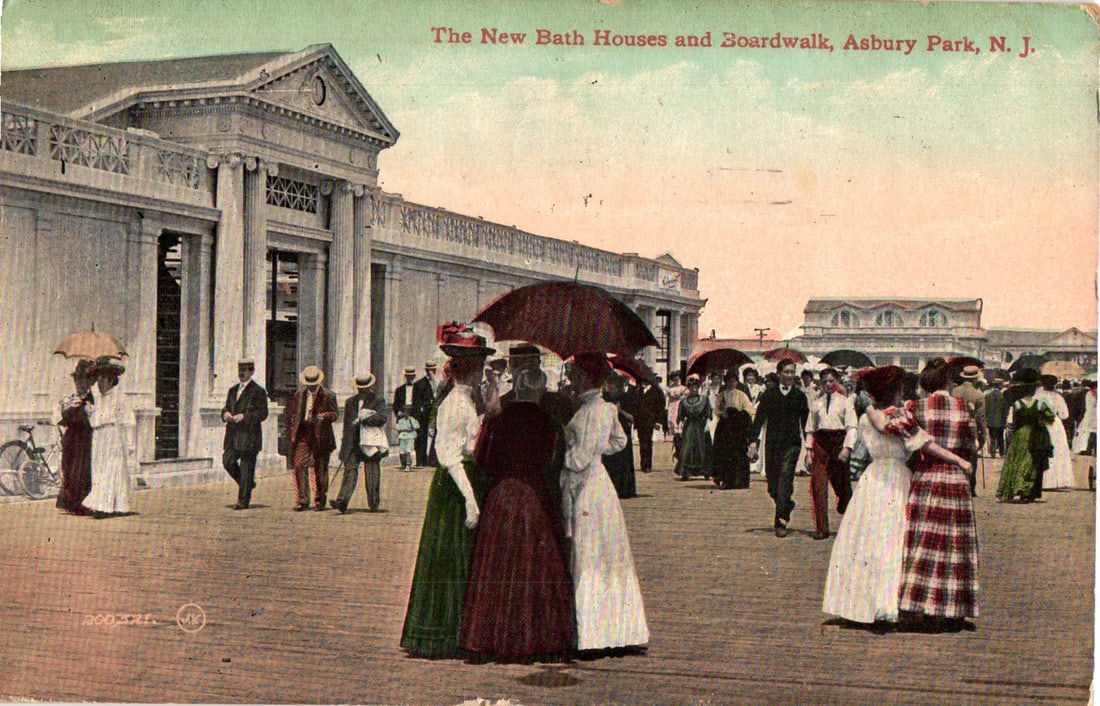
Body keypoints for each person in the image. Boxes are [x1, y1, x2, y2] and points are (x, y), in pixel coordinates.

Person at [823, 366, 971, 625]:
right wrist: (959, 460)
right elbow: (925, 444)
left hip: (873, 478)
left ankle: (861, 602)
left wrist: (867, 405)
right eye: (901, 388)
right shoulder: (899, 417)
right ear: (894, 391)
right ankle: (890, 602)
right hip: (896, 478)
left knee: (867, 539)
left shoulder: (867, 418)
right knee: (895, 539)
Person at [460, 368, 575, 660]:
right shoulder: (549, 423)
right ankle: (535, 637)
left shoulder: (499, 420)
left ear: (518, 389)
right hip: (535, 495)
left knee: (496, 566)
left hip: (502, 494)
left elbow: (483, 458)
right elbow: (553, 462)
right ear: (540, 391)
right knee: (536, 565)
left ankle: (492, 637)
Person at [401, 323, 491, 658]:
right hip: (455, 487)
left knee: (460, 558)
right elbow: (450, 455)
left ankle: (460, 631)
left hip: (466, 481)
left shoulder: (467, 400)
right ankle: (444, 634)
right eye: (479, 367)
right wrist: (470, 500)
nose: (482, 373)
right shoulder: (455, 403)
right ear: (469, 370)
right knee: (449, 559)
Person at [561, 352, 648, 652]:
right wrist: (598, 451)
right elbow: (619, 442)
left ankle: (593, 635)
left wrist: (565, 446)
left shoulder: (586, 412)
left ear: (586, 378)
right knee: (609, 553)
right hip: (602, 484)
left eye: (575, 376)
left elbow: (579, 459)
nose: (572, 381)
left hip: (585, 486)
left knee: (588, 554)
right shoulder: (607, 408)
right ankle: (620, 630)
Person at [899, 358, 980, 625]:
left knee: (923, 541)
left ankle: (917, 603)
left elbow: (910, 445)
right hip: (955, 479)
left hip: (927, 476)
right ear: (948, 381)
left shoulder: (917, 407)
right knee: (954, 544)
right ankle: (952, 608)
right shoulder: (964, 407)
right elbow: (970, 445)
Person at [749, 360, 809, 538]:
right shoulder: (769, 394)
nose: (790, 376)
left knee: (785, 478)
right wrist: (753, 442)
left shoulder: (799, 396)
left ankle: (780, 520)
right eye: (787, 372)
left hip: (792, 444)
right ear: (779, 373)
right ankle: (786, 504)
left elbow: (806, 424)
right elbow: (759, 419)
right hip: (772, 444)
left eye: (792, 372)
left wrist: (810, 448)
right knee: (772, 486)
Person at [804, 367, 857, 540]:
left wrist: (847, 448)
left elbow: (852, 427)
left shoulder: (845, 401)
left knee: (842, 485)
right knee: (818, 485)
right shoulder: (816, 403)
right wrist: (808, 451)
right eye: (825, 381)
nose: (828, 384)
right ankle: (821, 528)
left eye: (831, 381)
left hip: (839, 442)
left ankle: (844, 500)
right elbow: (810, 429)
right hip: (821, 443)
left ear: (837, 382)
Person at [83, 358, 134, 518]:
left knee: (111, 470)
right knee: (98, 470)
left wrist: (130, 443)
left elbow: (128, 421)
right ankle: (102, 504)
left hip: (113, 436)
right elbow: (95, 422)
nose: (100, 383)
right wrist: (90, 412)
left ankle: (106, 507)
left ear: (111, 380)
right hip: (99, 437)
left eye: (103, 379)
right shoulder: (98, 399)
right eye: (99, 379)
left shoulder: (120, 398)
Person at [284, 366, 338, 511]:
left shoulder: (328, 395)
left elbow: (335, 414)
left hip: (321, 436)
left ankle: (320, 500)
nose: (312, 387)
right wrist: (292, 429)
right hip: (303, 434)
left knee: (320, 469)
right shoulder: (299, 394)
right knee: (299, 464)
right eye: (309, 384)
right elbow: (292, 413)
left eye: (313, 384)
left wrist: (325, 415)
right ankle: (303, 500)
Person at [332, 374, 389, 513]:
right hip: (353, 442)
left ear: (370, 387)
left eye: (364, 388)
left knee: (372, 472)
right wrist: (344, 443)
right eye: (360, 388)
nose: (362, 391)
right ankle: (342, 501)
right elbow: (347, 425)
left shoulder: (378, 400)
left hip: (370, 442)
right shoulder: (350, 401)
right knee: (350, 470)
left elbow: (382, 418)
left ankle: (373, 503)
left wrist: (363, 419)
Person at [997, 369, 1055, 502]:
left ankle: (1016, 488)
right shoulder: (1040, 404)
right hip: (1035, 434)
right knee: (1032, 463)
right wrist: (1039, 422)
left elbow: (1012, 422)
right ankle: (1027, 491)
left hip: (1020, 435)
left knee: (1016, 461)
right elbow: (1050, 419)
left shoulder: (1017, 404)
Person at [221, 358, 269, 510]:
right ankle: (248, 484)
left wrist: (244, 417)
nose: (242, 373)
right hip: (232, 434)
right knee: (227, 461)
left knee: (247, 468)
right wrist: (225, 414)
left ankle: (243, 501)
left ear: (252, 372)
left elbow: (263, 413)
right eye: (240, 370)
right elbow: (226, 407)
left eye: (246, 370)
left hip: (249, 436)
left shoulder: (258, 391)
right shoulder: (232, 390)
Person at [56, 360, 95, 515]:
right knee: (68, 466)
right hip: (71, 436)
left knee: (81, 468)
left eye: (83, 379)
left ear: (89, 381)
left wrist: (84, 409)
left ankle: (81, 502)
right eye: (77, 380)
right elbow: (64, 417)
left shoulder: (92, 399)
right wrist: (67, 407)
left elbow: (90, 418)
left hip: (84, 436)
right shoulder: (71, 398)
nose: (79, 383)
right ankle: (69, 501)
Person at [712, 370, 755, 489]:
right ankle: (726, 480)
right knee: (725, 453)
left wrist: (739, 414)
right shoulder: (722, 395)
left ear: (736, 382)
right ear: (725, 382)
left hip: (738, 428)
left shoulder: (741, 395)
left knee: (739, 453)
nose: (731, 384)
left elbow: (749, 409)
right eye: (729, 381)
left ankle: (740, 481)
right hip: (725, 427)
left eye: (733, 381)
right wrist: (722, 412)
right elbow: (716, 410)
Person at [951, 365, 986, 495]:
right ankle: (970, 487)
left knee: (955, 455)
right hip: (971, 429)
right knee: (971, 457)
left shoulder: (954, 392)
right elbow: (980, 418)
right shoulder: (978, 395)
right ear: (976, 378)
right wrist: (982, 436)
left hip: (954, 426)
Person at [602, 372, 638, 499]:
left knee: (623, 460)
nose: (609, 387)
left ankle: (624, 489)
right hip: (609, 430)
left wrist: (620, 411)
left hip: (622, 429)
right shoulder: (605, 398)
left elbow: (633, 418)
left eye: (612, 385)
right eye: (608, 384)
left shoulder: (626, 397)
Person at [1037, 375, 1074, 489]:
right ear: (1054, 385)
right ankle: (1058, 481)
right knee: (1058, 450)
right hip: (1055, 424)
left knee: (1042, 450)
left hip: (1041, 423)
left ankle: (1042, 481)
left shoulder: (1038, 396)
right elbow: (1065, 415)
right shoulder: (1058, 397)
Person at [674, 374, 712, 480]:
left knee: (702, 448)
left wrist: (707, 425)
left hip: (701, 427)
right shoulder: (684, 401)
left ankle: (705, 471)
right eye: (691, 387)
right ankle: (685, 472)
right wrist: (679, 426)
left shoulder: (704, 399)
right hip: (689, 427)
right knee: (687, 448)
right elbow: (680, 416)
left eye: (696, 387)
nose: (694, 389)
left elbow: (709, 414)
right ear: (688, 388)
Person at [634, 377, 667, 472]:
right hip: (640, 421)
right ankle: (643, 464)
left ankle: (647, 465)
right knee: (642, 442)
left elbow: (661, 407)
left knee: (648, 442)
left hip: (650, 421)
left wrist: (658, 421)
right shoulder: (638, 390)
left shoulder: (656, 391)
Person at [984, 379, 1009, 458]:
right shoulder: (1003, 396)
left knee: (992, 437)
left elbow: (985, 409)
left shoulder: (987, 396)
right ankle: (1001, 453)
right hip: (1001, 420)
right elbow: (1005, 410)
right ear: (999, 386)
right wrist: (1005, 420)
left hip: (990, 420)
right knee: (1000, 437)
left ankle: (993, 453)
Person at [1073, 380, 1096, 455]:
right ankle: (1090, 449)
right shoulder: (1089, 394)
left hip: (1088, 416)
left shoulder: (1088, 394)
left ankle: (1087, 449)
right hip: (1090, 416)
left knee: (1088, 433)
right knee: (1090, 433)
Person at [665, 372, 687, 452]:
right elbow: (669, 396)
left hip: (680, 404)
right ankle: (673, 434)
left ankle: (679, 433)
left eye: (678, 379)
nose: (676, 381)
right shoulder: (669, 388)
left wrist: (681, 396)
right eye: (675, 380)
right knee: (672, 418)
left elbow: (685, 396)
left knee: (679, 418)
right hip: (672, 404)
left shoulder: (683, 388)